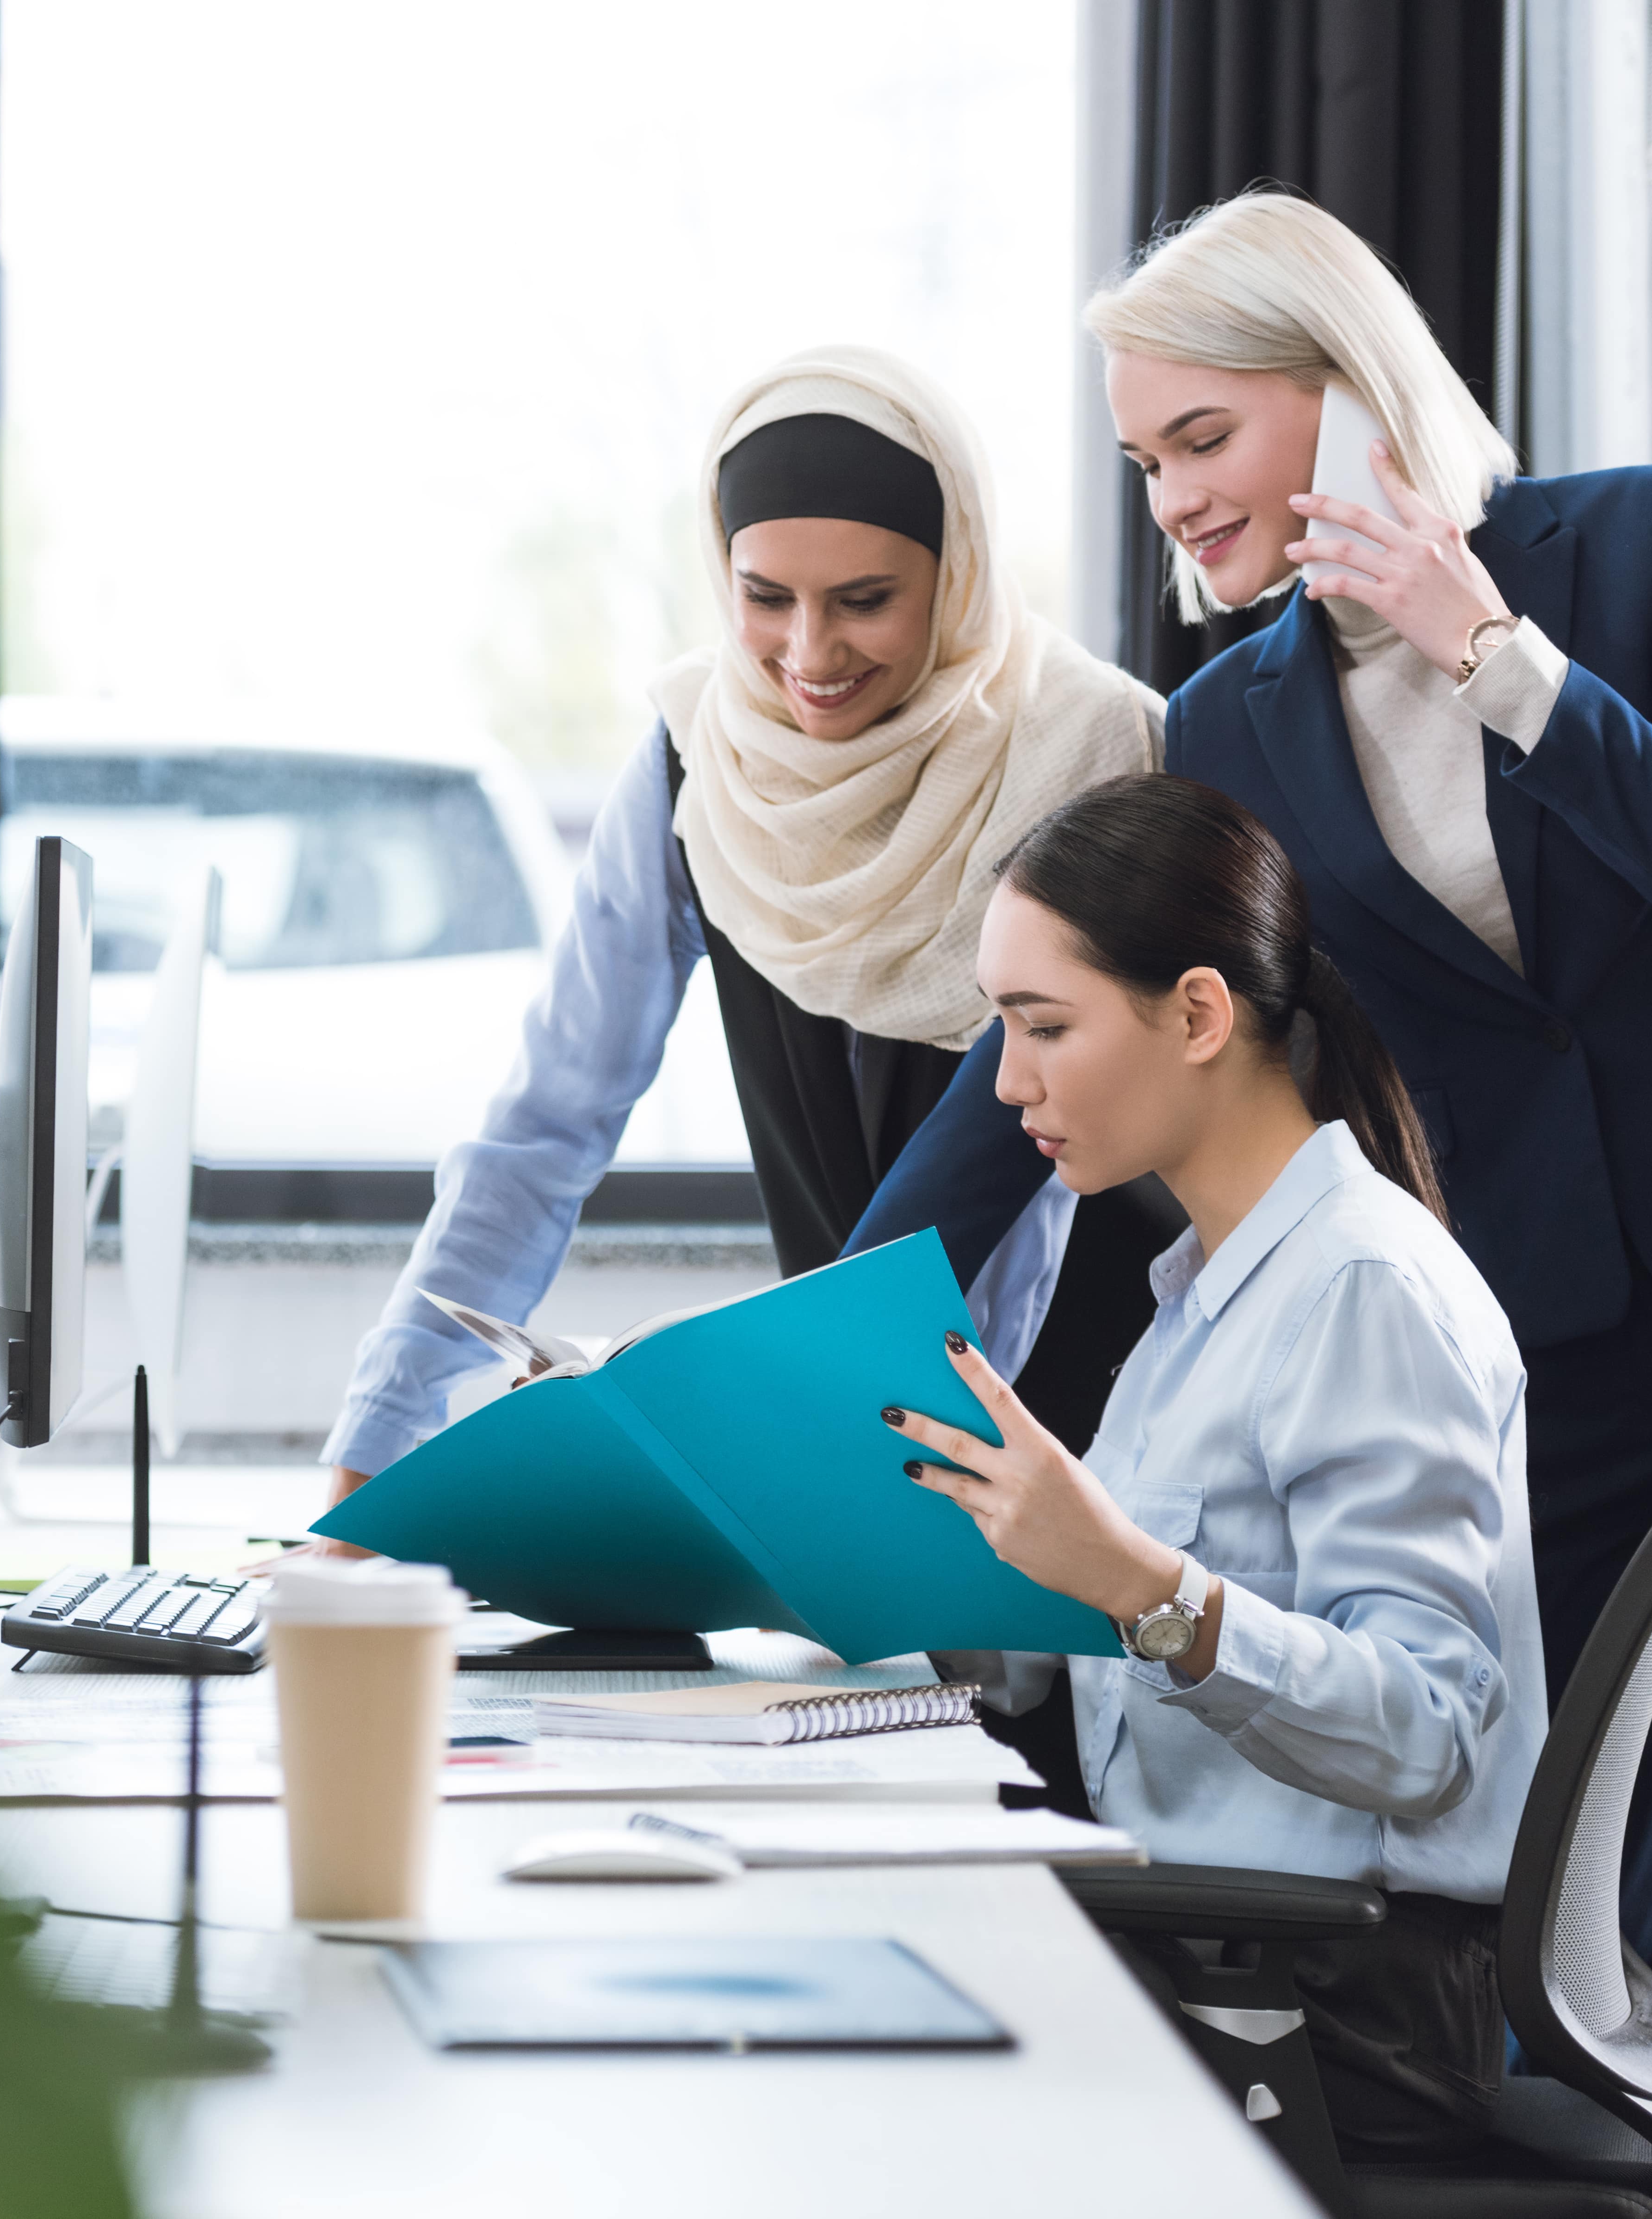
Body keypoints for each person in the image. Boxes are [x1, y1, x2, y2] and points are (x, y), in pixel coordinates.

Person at [856, 189, 1652, 2204]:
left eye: (1204, 440)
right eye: (1144, 462)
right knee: (1564, 1949)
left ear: (1348, 395)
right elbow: (1068, 1031)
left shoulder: (1636, 548)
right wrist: (835, 1313)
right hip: (1569, 1335)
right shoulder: (1233, 724)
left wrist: (1492, 653)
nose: (1172, 502)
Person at [319, 347, 1163, 1575]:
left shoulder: (1090, 751)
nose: (808, 652)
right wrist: (373, 1462)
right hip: (851, 1407)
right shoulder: (692, 760)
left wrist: (827, 1435)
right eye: (764, 596)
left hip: (1078, 1423)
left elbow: (1004, 1178)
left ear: (958, 573)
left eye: (865, 599)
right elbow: (544, 1126)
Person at [892, 774, 1539, 2160]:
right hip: (1216, 1953)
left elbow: (1427, 1730)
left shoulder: (1360, 1290)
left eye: (1042, 1028)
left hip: (1327, 2008)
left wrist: (1136, 1586)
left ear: (1196, 1013)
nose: (1008, 1082)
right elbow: (1137, 1643)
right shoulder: (1202, 1294)